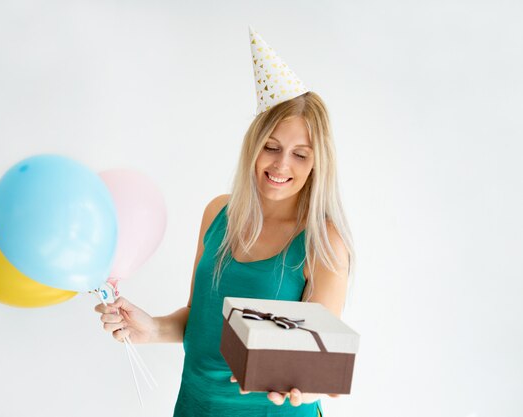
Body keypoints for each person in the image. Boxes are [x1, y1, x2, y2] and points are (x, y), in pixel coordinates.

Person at [95, 28, 354, 417]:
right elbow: (200, 320)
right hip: (195, 406)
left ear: (318, 163)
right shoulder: (218, 214)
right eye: (271, 147)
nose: (282, 165)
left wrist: (303, 382)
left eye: (300, 154)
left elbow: (314, 359)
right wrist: (150, 328)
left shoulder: (324, 242)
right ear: (253, 145)